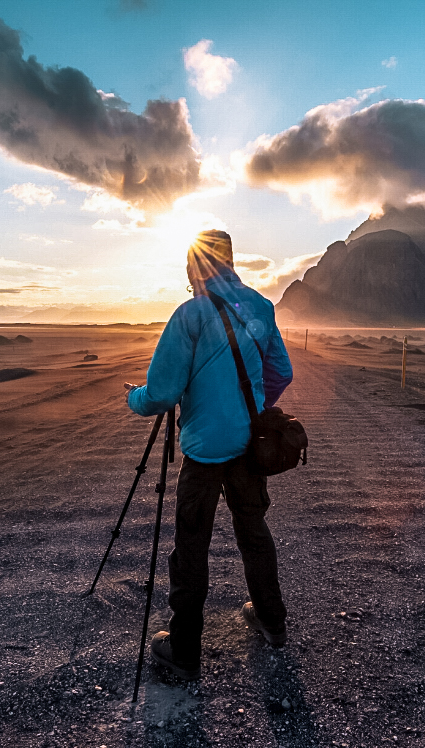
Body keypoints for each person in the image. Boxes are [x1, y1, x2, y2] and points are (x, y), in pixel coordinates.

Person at [125, 229, 294, 680]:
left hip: (202, 453)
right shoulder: (259, 306)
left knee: (192, 547)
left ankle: (184, 650)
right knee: (254, 534)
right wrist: (252, 408)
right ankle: (272, 623)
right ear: (232, 261)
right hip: (248, 448)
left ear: (192, 268)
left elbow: (161, 393)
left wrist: (134, 397)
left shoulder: (189, 314)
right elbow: (281, 371)